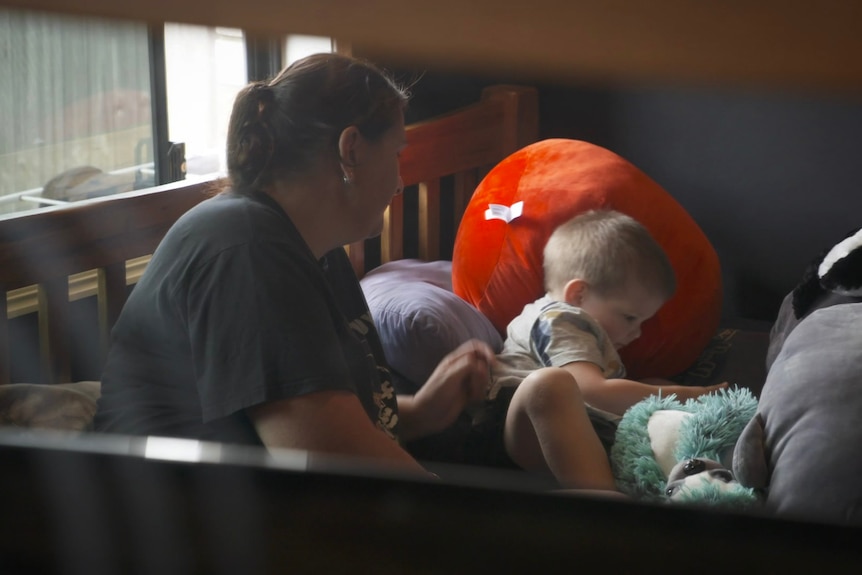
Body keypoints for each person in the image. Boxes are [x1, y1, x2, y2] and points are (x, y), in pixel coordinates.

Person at [94, 53, 496, 478]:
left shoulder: (310, 246)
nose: (399, 181)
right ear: (352, 149)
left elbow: (328, 420)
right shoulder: (248, 249)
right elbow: (325, 454)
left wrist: (424, 411)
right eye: (396, 154)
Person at [466, 209, 727, 489]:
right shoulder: (559, 318)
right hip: (514, 433)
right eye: (629, 317)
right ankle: (602, 498)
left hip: (568, 433)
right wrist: (693, 396)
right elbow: (592, 391)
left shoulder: (581, 328)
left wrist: (663, 392)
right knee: (549, 384)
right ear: (579, 294)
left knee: (653, 387)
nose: (636, 333)